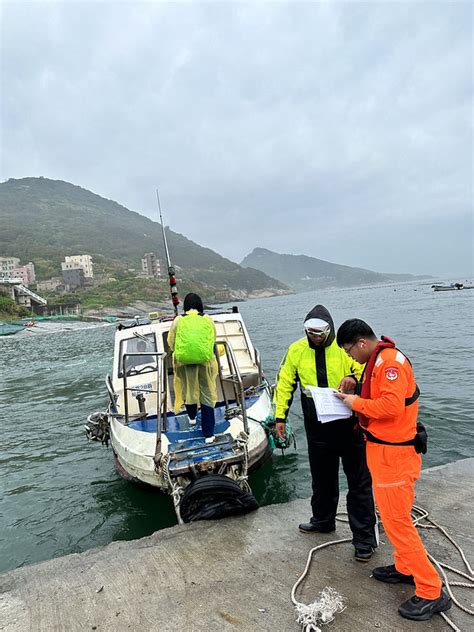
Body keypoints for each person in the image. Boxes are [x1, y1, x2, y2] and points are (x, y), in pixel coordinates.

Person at [335, 319, 451, 621]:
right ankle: (405, 567)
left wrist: (354, 401)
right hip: (384, 452)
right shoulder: (378, 362)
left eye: (349, 351)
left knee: (398, 522)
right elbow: (382, 396)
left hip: (395, 457)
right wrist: (355, 386)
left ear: (362, 342)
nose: (351, 357)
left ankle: (430, 590)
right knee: (391, 517)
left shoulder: (390, 364)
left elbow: (390, 406)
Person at [273, 304, 378, 561]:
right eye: (311, 332)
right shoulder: (296, 350)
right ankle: (322, 520)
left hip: (348, 423)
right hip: (316, 422)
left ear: (329, 330)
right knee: (321, 477)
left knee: (359, 481)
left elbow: (367, 371)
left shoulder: (344, 348)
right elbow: (285, 382)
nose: (315, 337)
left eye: (320, 332)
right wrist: (279, 417)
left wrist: (354, 380)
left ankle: (364, 539)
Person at [167, 293, 218, 443]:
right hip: (205, 361)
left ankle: (192, 418)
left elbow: (171, 341)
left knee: (189, 389)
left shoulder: (178, 320)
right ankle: (209, 434)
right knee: (207, 394)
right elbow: (213, 338)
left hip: (184, 362)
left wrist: (177, 351)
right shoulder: (207, 319)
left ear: (186, 306)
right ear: (200, 305)